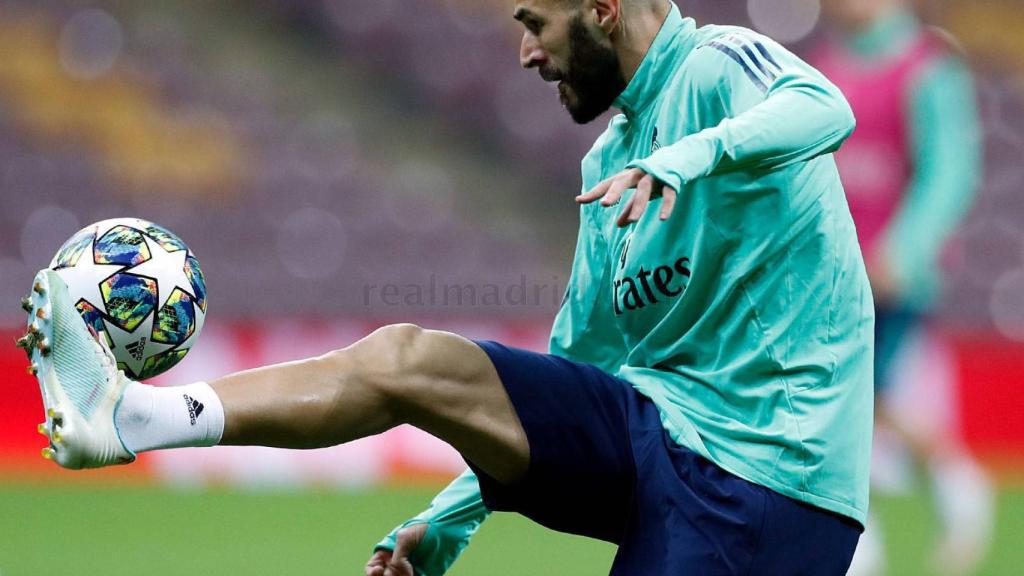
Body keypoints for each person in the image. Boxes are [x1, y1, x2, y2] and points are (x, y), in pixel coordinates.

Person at [19, 1, 873, 574]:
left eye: (536, 22)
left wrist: (691, 154)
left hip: (767, 485)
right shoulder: (609, 163)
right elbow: (575, 369)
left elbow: (825, 108)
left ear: (605, 8)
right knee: (406, 359)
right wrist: (452, 518)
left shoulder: (720, 65)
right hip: (658, 439)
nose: (527, 51)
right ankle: (136, 416)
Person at [811, 1, 993, 574]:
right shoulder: (822, 67)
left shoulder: (928, 66)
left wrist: (904, 251)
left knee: (847, 401)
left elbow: (950, 169)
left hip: (890, 273)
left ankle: (859, 540)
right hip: (829, 272)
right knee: (854, 400)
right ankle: (950, 485)